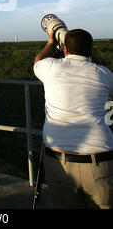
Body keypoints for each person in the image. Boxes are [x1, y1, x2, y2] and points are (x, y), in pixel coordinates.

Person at [34, 28, 113, 209]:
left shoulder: (50, 67)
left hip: (59, 162)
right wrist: (94, 58)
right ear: (90, 50)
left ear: (65, 49)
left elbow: (38, 61)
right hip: (99, 160)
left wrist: (49, 44)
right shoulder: (103, 73)